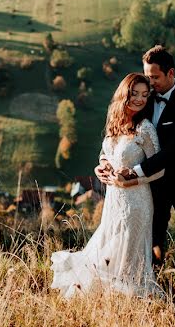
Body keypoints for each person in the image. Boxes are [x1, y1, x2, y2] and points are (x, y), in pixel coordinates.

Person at [96, 45, 175, 276]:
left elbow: (174, 151)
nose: (150, 83)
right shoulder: (143, 99)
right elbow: (120, 135)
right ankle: (150, 282)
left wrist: (133, 172)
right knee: (152, 238)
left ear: (171, 73)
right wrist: (105, 162)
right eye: (147, 77)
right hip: (153, 186)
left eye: (155, 77)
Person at [50, 73, 165, 298]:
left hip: (136, 203)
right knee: (108, 250)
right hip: (113, 201)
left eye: (144, 94)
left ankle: (131, 305)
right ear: (124, 94)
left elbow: (159, 169)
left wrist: (132, 179)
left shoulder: (146, 128)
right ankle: (110, 303)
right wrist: (100, 166)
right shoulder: (116, 123)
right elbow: (106, 153)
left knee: (127, 258)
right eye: (134, 94)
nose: (140, 99)